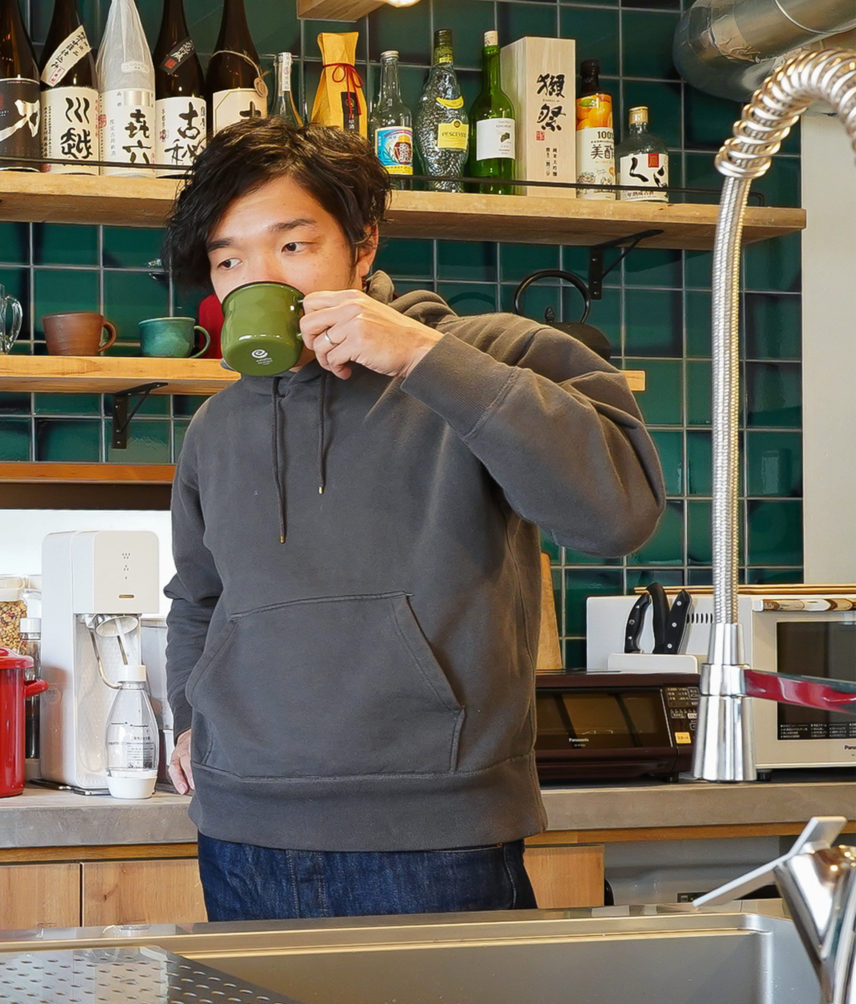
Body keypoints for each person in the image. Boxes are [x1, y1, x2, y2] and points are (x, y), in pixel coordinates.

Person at [158, 122, 664, 922]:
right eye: (230, 260)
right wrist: (191, 719)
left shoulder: (490, 355)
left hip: (439, 840)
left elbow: (620, 513)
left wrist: (426, 359)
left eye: (292, 246)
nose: (260, 277)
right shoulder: (216, 429)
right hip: (240, 837)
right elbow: (198, 599)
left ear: (363, 245)